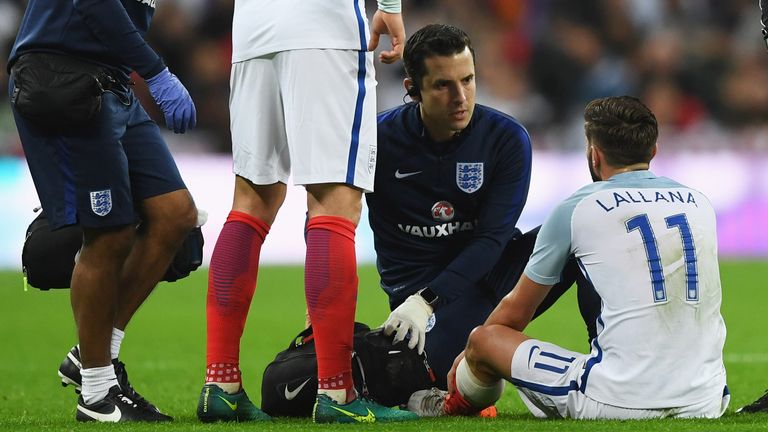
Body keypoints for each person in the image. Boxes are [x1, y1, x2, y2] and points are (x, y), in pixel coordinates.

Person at [407, 95, 730, 420]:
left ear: (594, 154)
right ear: (654, 152)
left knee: (484, 339)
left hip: (618, 398)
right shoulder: (698, 203)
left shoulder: (577, 208)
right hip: (706, 397)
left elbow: (515, 313)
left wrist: (467, 357)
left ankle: (450, 404)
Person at [195, 0, 417, 424]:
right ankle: (337, 392)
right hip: (322, 28)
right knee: (334, 202)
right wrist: (389, 6)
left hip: (252, 30)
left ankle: (220, 386)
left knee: (251, 201)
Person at [366, 23, 600, 389]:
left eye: (468, 80)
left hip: (493, 273)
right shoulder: (377, 142)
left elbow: (492, 238)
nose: (461, 96)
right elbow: (331, 217)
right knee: (423, 379)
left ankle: (605, 362)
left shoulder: (505, 138)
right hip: (420, 289)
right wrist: (420, 300)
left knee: (584, 231)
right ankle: (474, 354)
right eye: (443, 85)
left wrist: (428, 300)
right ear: (413, 89)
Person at [7, 0, 198, 423]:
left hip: (112, 81)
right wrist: (156, 72)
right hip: (63, 76)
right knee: (109, 232)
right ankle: (96, 394)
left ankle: (93, 357)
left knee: (175, 214)